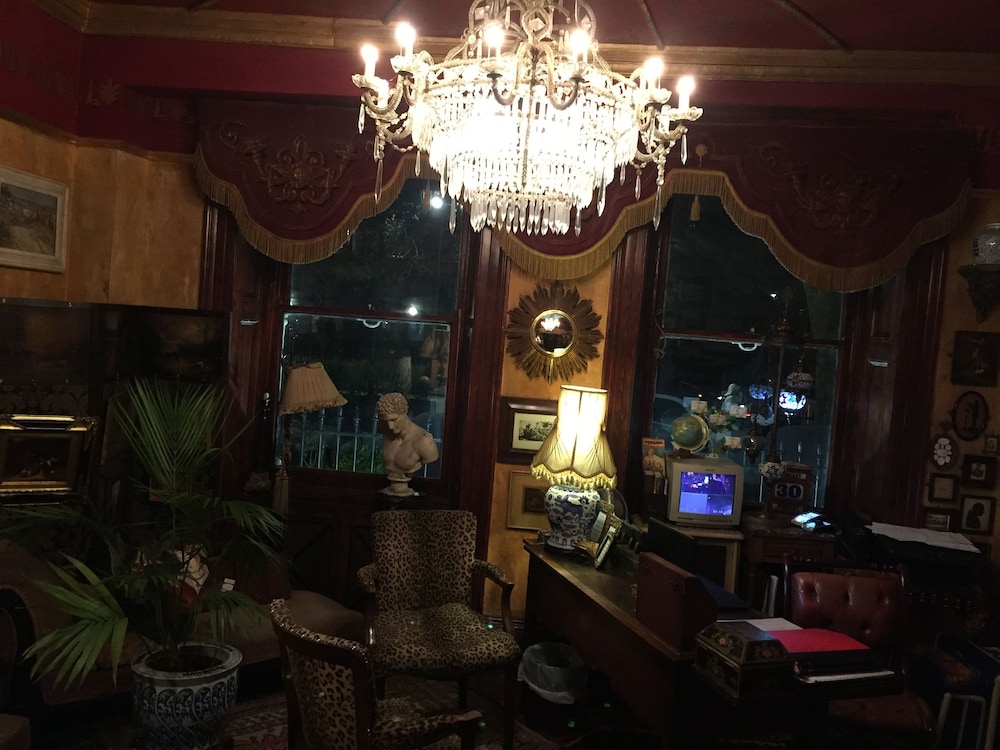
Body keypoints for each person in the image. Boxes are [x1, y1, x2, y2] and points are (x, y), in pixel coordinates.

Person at [377, 392, 439, 497]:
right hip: (388, 493)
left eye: (394, 420)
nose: (390, 426)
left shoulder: (424, 441)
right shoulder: (385, 428)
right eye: (385, 421)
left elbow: (431, 460)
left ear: (404, 413)